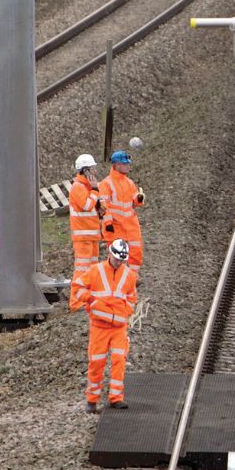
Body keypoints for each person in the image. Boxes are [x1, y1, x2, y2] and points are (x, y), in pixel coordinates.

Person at [75, 237, 138, 413]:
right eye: (117, 259)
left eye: (122, 260)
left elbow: (132, 298)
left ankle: (116, 397)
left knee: (119, 360)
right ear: (110, 253)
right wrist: (91, 300)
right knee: (96, 362)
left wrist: (124, 312)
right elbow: (78, 288)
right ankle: (92, 400)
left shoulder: (129, 275)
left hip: (118, 327)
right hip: (99, 327)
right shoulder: (95, 271)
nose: (119, 263)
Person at [98, 150, 145, 268]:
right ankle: (115, 282)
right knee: (116, 259)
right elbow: (104, 205)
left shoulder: (129, 183)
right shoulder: (106, 183)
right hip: (115, 227)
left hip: (131, 226)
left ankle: (132, 280)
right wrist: (108, 223)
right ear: (117, 165)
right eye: (125, 164)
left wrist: (139, 199)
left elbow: (134, 202)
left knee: (136, 255)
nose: (128, 166)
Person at [68, 154, 104, 291]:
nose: (95, 171)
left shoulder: (88, 187)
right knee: (82, 269)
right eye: (93, 168)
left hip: (92, 236)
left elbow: (92, 209)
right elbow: (87, 205)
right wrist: (95, 191)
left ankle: (89, 295)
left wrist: (100, 209)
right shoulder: (78, 187)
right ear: (85, 170)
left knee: (92, 269)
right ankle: (77, 299)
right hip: (83, 238)